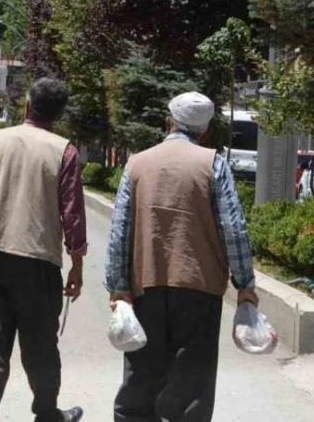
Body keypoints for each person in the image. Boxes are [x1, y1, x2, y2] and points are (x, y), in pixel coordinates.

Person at [104, 92, 258, 422]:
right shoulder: (213, 164)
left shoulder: (136, 164)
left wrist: (118, 286)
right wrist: (244, 283)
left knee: (141, 375)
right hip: (200, 288)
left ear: (168, 121)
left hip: (146, 284)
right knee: (193, 382)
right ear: (204, 131)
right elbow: (234, 228)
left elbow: (120, 229)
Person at [0, 77, 87, 422]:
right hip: (40, 263)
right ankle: (46, 412)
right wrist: (78, 266)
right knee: (40, 345)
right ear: (59, 114)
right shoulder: (64, 151)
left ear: (26, 106)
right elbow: (72, 215)